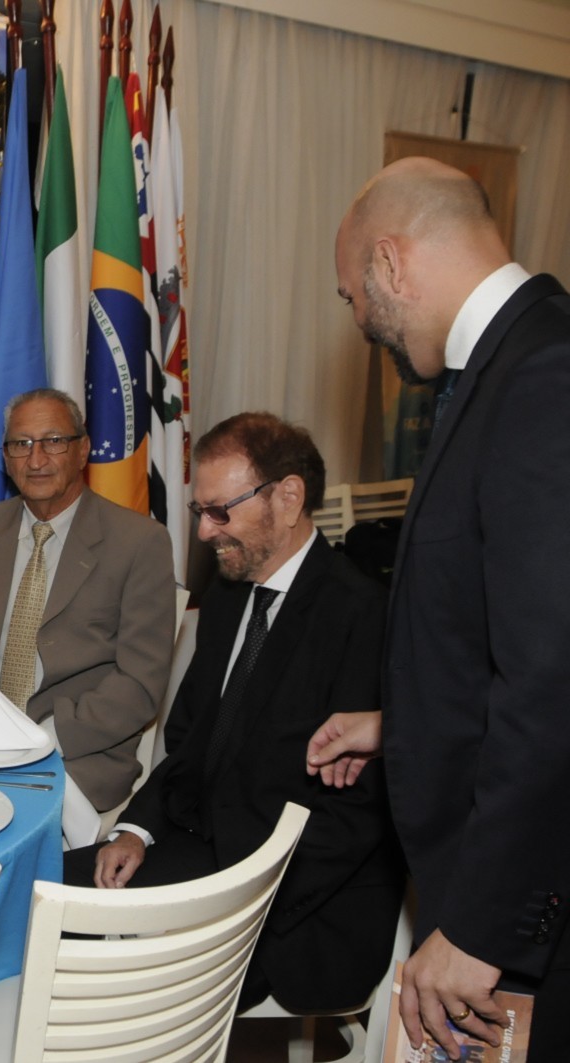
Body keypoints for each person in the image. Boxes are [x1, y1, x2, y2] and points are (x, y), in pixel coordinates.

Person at [307, 156, 570, 1057]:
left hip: (514, 907)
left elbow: (553, 682)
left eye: (353, 295)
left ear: (390, 261)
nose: (359, 320)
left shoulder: (544, 373)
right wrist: (401, 724)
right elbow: (494, 626)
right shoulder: (505, 363)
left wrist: (483, 925)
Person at [65, 412, 402, 1011]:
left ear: (289, 498)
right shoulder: (229, 597)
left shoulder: (363, 615)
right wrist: (136, 830)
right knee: (34, 902)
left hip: (293, 898)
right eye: (200, 511)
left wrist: (233, 904)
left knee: (104, 996)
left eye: (220, 511)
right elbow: (189, 742)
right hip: (201, 846)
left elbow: (355, 818)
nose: (203, 532)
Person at [0, 388, 175, 846]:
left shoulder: (139, 543)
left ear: (83, 450)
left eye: (54, 441)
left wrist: (40, 738)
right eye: (21, 444)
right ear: (6, 458)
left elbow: (139, 685)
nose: (36, 459)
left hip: (77, 751)